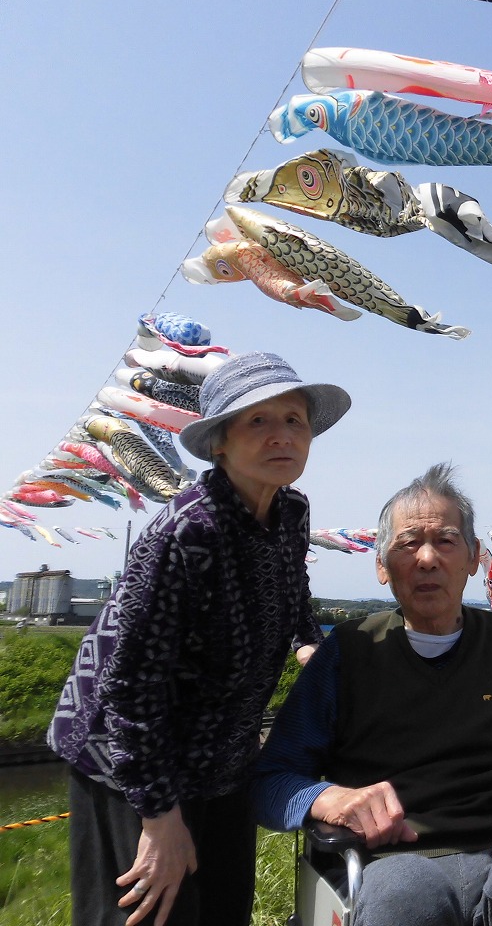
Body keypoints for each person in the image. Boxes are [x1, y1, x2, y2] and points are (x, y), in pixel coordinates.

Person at [48, 351, 352, 926]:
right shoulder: (188, 531)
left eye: (293, 420)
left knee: (219, 906)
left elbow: (293, 587)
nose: (281, 436)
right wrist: (159, 818)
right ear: (219, 443)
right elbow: (128, 686)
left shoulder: (289, 512)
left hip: (222, 754)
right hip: (128, 758)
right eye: (257, 422)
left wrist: (308, 641)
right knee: (153, 909)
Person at [251, 463, 492, 926]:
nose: (427, 558)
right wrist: (327, 799)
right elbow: (271, 778)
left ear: (474, 558)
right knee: (406, 896)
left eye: (446, 541)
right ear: (381, 565)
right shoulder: (347, 652)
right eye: (408, 542)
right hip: (391, 859)